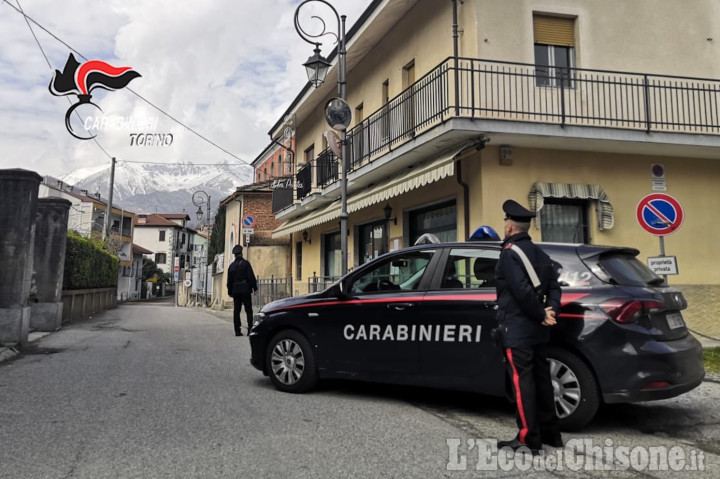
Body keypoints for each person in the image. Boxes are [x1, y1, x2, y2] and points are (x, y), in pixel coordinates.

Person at [495, 199, 563, 455]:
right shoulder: (541, 253)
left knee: (522, 383)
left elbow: (521, 291)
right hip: (539, 330)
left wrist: (538, 314)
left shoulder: (510, 253)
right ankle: (551, 434)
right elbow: (555, 286)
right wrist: (550, 312)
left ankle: (528, 438)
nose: (504, 226)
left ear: (511, 226)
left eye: (505, 222)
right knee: (542, 381)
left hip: (518, 329)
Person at [226, 245, 258, 336]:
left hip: (236, 291)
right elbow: (251, 277)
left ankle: (237, 330)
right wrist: (255, 288)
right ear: (241, 253)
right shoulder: (246, 264)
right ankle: (250, 329)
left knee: (236, 310)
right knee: (248, 310)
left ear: (235, 255)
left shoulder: (231, 266)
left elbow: (229, 281)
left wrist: (230, 292)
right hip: (245, 289)